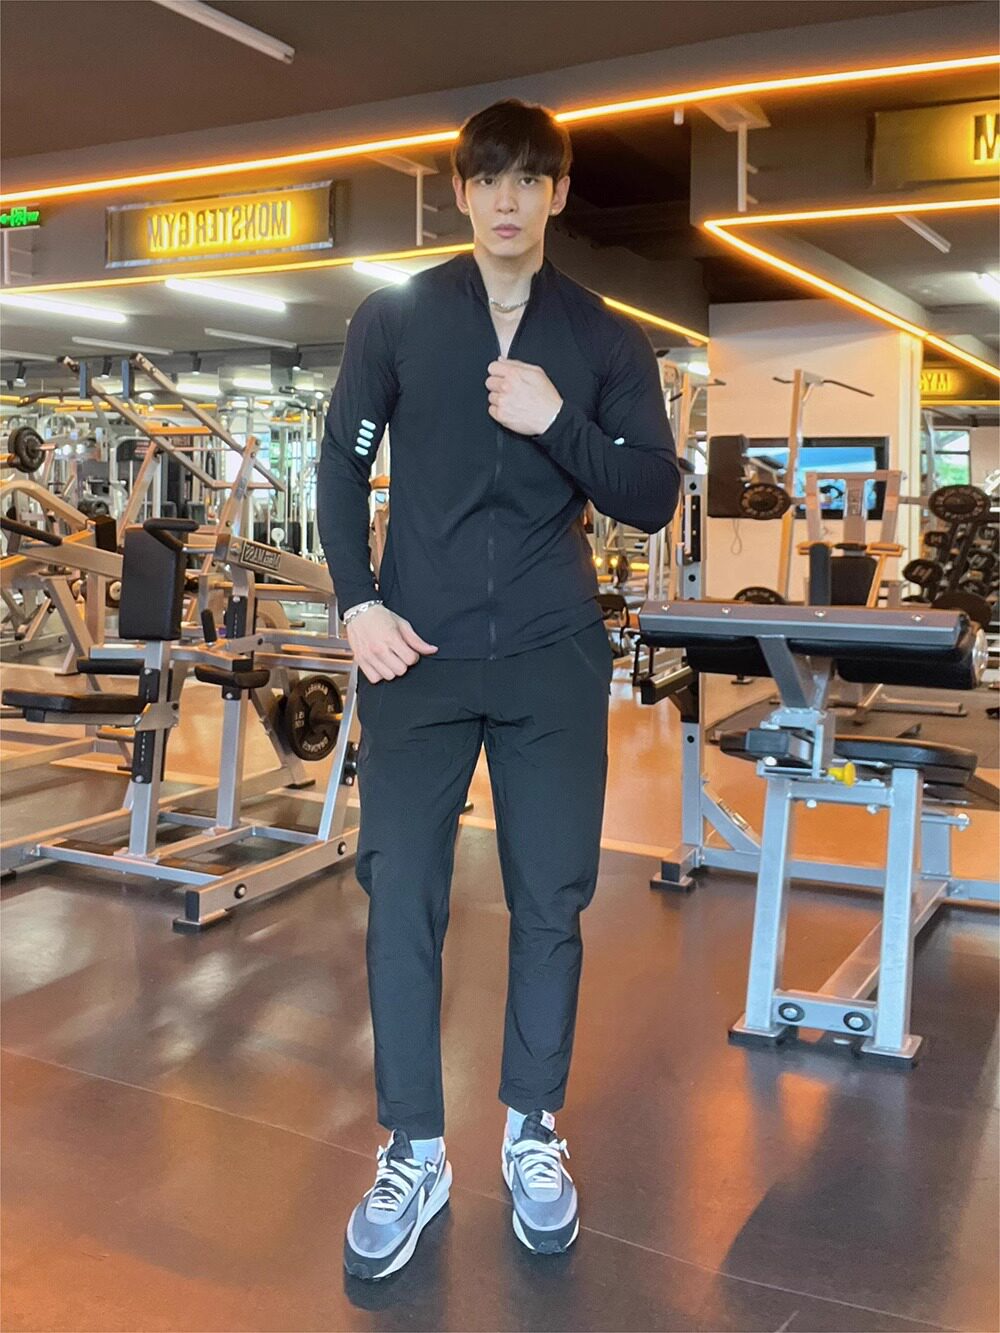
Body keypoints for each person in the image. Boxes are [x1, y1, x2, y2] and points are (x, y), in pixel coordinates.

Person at [318, 98, 679, 1281]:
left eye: (531, 178)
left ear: (559, 193)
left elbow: (651, 494)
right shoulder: (398, 316)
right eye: (488, 179)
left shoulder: (603, 336)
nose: (509, 198)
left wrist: (556, 420)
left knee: (550, 897)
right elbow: (339, 463)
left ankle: (531, 1127)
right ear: (462, 193)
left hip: (548, 650)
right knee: (401, 892)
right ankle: (412, 1148)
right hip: (412, 651)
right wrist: (356, 602)